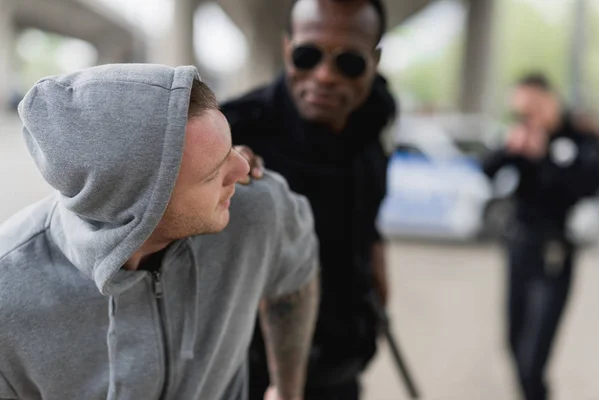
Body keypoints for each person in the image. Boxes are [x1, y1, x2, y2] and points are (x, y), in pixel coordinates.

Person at [0, 64, 320, 400]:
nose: (242, 168)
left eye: (230, 149)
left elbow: (295, 273)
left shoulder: (254, 207)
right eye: (213, 173)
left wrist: (287, 392)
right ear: (139, 207)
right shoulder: (8, 295)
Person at [221, 0, 397, 398]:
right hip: (251, 377)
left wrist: (379, 282)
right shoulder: (234, 131)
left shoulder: (376, 123)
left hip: (341, 366)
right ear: (287, 49)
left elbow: (369, 222)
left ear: (374, 59)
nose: (325, 76)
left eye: (349, 62)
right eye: (307, 55)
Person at [483, 73, 599, 400]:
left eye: (533, 108)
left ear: (550, 100)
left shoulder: (579, 136)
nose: (527, 117)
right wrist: (512, 148)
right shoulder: (520, 134)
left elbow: (586, 185)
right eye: (520, 111)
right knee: (513, 345)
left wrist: (544, 156)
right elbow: (486, 169)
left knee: (533, 361)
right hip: (518, 248)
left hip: (554, 256)